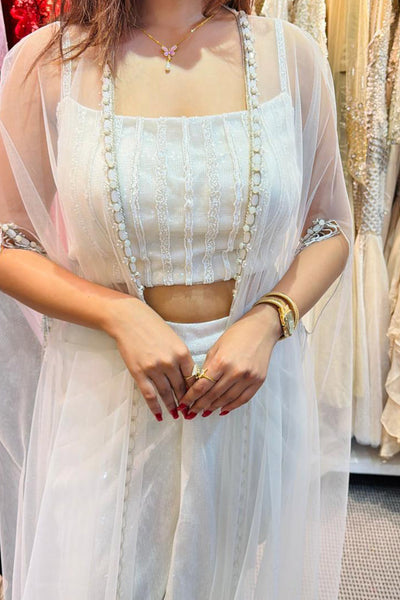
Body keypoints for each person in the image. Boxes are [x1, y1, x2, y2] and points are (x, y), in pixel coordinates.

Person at [0, 0, 353, 598]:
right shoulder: (50, 60)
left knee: (221, 578)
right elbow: (9, 239)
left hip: (243, 395)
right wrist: (117, 312)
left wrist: (270, 318)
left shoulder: (291, 54)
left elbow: (331, 227)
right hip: (106, 393)